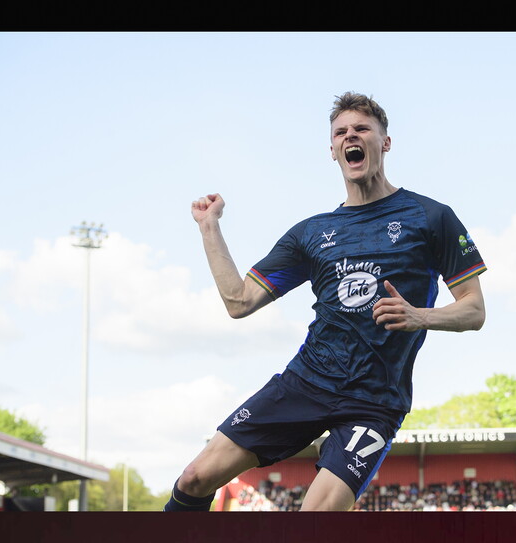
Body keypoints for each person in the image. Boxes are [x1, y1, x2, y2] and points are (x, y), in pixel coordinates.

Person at [163, 92, 487, 512]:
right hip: (305, 384)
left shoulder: (431, 217)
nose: (351, 135)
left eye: (362, 128)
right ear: (333, 150)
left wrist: (418, 315)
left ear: (385, 142)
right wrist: (209, 228)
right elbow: (239, 301)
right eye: (341, 132)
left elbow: (474, 309)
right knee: (194, 478)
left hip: (374, 402)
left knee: (313, 515)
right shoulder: (312, 234)